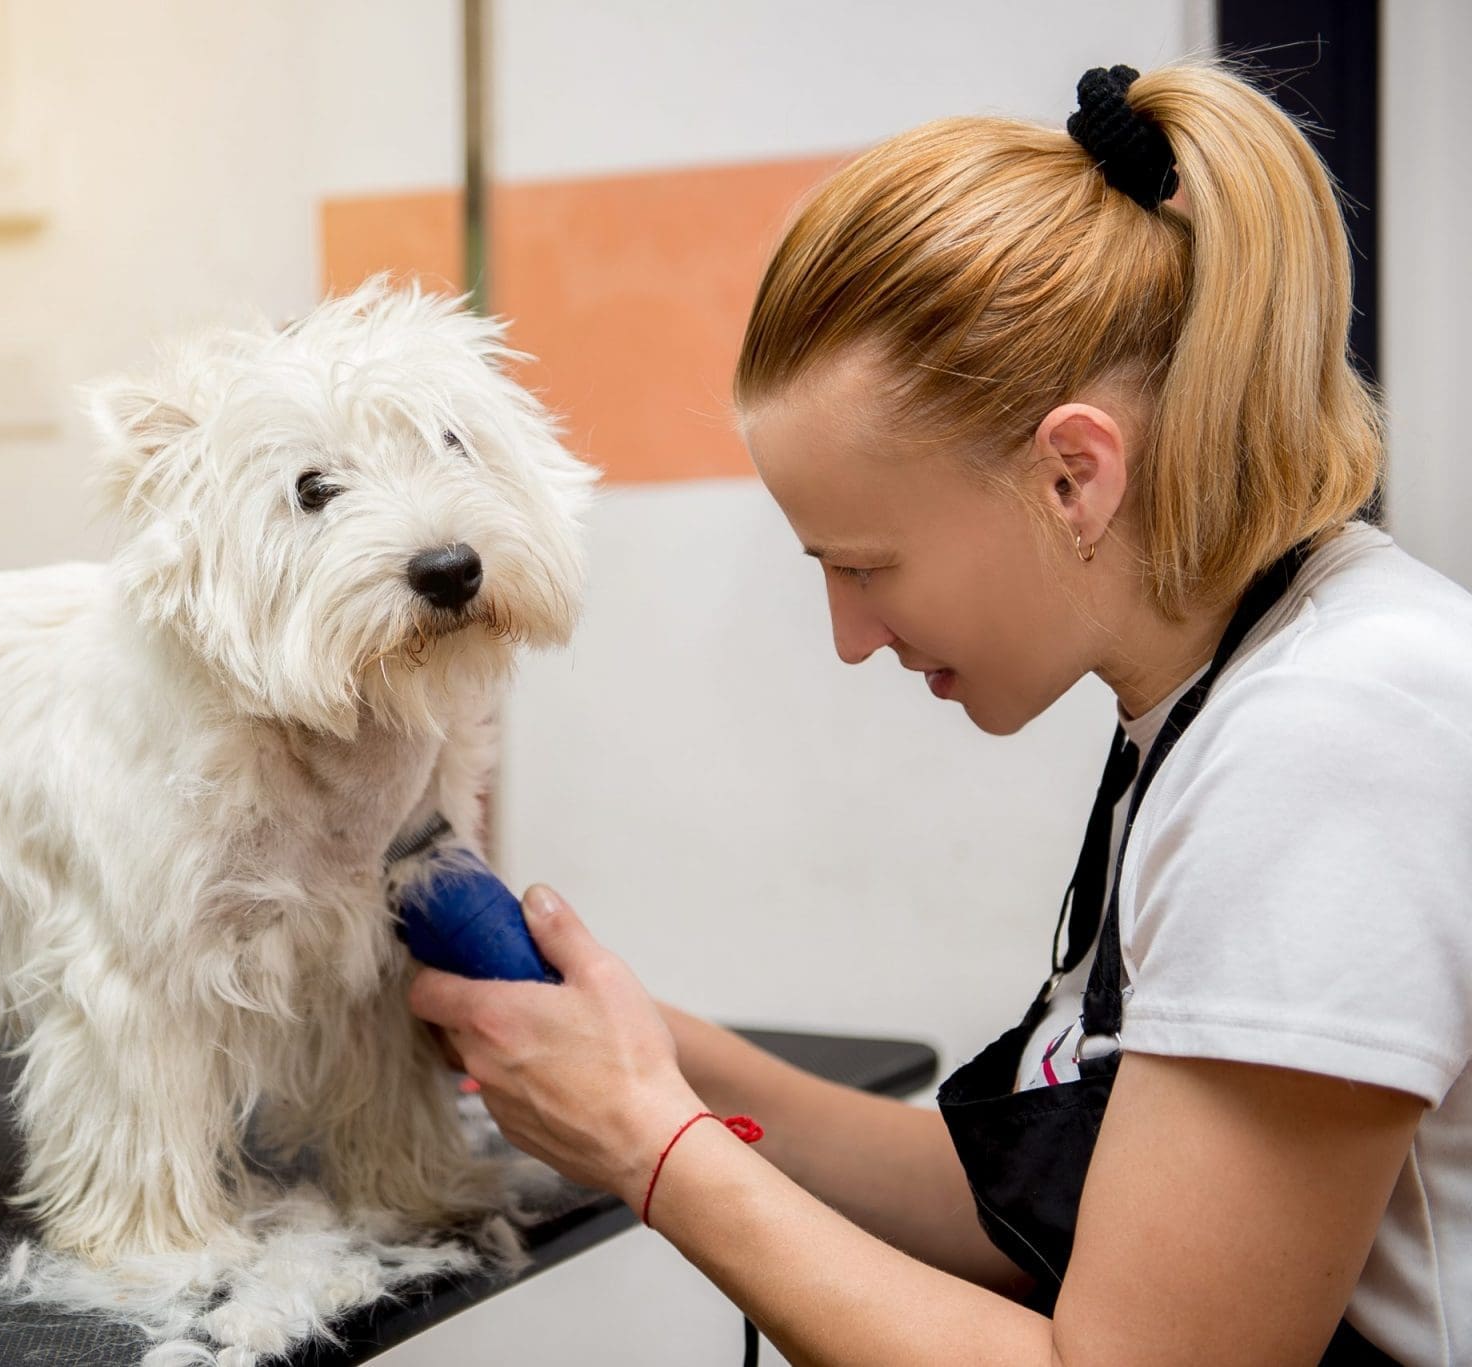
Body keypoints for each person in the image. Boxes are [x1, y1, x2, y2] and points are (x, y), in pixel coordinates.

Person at [408, 61, 1472, 1365]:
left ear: (1073, 476)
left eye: (866, 567)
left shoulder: (1333, 738)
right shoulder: (1218, 700)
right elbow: (1028, 1212)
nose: (851, 637)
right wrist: (647, 1051)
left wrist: (649, 1143)